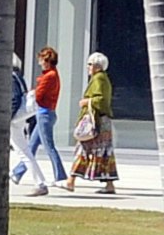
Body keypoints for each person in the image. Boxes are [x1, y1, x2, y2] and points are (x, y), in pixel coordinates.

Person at [12, 43, 67, 194]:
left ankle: (61, 177)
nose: (39, 62)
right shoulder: (52, 75)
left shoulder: (50, 76)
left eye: (41, 60)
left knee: (48, 146)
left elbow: (40, 95)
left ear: (47, 61)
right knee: (30, 147)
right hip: (44, 113)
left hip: (44, 113)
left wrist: (31, 95)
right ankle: (17, 173)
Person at [71, 49, 119, 194]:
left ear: (98, 66)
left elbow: (101, 100)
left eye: (90, 64)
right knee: (104, 152)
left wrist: (86, 101)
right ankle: (109, 184)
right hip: (102, 121)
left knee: (83, 148)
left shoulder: (99, 79)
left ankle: (70, 181)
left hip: (98, 122)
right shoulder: (102, 78)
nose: (88, 67)